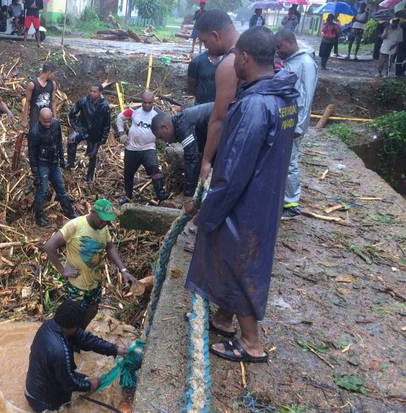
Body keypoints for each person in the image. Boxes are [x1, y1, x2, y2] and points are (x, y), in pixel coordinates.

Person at [185, 26, 298, 364]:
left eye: (234, 57)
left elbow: (232, 171)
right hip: (267, 196)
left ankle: (251, 344)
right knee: (233, 259)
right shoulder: (284, 97)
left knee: (240, 263)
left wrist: (207, 211)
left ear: (245, 58)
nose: (231, 63)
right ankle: (223, 318)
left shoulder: (255, 106)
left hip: (247, 201)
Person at [43, 199, 138, 328]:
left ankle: (79, 336)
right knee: (73, 317)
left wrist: (123, 270)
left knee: (92, 310)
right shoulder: (75, 226)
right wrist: (63, 270)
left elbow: (110, 247)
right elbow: (49, 246)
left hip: (95, 282)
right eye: (102, 220)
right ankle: (68, 341)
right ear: (92, 212)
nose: (105, 223)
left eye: (107, 221)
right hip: (77, 284)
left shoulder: (103, 228)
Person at [24, 300, 127, 413]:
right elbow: (69, 383)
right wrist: (89, 385)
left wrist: (115, 349)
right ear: (74, 326)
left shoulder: (50, 325)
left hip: (35, 385)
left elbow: (87, 340)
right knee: (81, 389)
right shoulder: (60, 352)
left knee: (83, 381)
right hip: (42, 401)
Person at [276, 29, 319, 219]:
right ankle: (284, 196)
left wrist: (298, 126)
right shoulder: (293, 61)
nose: (278, 51)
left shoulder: (306, 64)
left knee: (290, 162)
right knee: (284, 160)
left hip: (294, 123)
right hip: (287, 119)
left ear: (289, 42)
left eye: (279, 46)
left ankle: (291, 204)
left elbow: (306, 97)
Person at [194, 10, 239, 183]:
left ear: (215, 35)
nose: (205, 47)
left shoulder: (229, 64)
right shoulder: (255, 46)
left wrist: (206, 160)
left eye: (205, 41)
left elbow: (219, 118)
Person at [150, 102, 214, 215]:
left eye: (161, 136)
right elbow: (198, 154)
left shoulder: (182, 125)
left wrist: (188, 197)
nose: (164, 140)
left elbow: (192, 158)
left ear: (164, 127)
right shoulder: (182, 121)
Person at [116, 91, 167, 204]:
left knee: (154, 169)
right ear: (141, 101)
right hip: (132, 148)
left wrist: (163, 138)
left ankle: (160, 195)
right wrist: (121, 133)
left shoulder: (158, 114)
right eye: (144, 102)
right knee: (128, 173)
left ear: (153, 102)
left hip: (148, 148)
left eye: (149, 103)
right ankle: (128, 196)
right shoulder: (134, 110)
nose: (147, 105)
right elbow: (120, 117)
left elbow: (167, 125)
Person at [29, 108, 75, 226]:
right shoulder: (34, 132)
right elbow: (32, 153)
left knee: (61, 189)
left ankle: (69, 213)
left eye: (49, 121)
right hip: (42, 164)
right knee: (42, 191)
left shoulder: (55, 124)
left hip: (54, 163)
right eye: (45, 122)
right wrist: (35, 173)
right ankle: (39, 218)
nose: (48, 124)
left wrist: (62, 160)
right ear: (40, 119)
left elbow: (59, 142)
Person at [66, 84, 111, 183]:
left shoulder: (104, 106)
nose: (92, 93)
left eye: (94, 92)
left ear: (100, 93)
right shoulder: (84, 101)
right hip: (82, 128)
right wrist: (76, 126)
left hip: (95, 133)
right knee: (71, 140)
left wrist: (103, 138)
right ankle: (69, 165)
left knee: (92, 154)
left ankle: (89, 176)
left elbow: (107, 124)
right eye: (91, 91)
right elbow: (72, 113)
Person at [22, 63, 57, 130]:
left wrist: (55, 117)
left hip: (48, 118)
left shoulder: (52, 84)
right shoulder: (32, 85)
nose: (53, 76)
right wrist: (25, 119)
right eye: (53, 74)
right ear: (49, 72)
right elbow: (27, 102)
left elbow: (53, 101)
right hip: (35, 117)